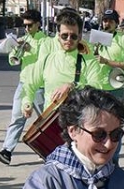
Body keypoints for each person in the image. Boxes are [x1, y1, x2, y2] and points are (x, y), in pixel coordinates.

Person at [20, 12, 106, 143]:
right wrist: (27, 102)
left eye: (74, 36)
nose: (69, 40)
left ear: (80, 36)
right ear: (58, 36)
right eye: (65, 36)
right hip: (52, 123)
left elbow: (97, 87)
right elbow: (29, 84)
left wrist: (72, 86)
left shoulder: (88, 60)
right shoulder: (48, 59)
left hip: (79, 124)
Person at [0, 9, 48, 166]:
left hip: (39, 85)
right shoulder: (24, 38)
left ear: (38, 24)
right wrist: (15, 49)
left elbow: (46, 58)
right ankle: (7, 151)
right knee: (16, 118)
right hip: (23, 84)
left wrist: (32, 49)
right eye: (25, 26)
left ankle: (49, 150)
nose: (28, 29)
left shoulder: (45, 41)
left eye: (30, 25)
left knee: (44, 121)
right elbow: (13, 61)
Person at [88, 10, 124, 162]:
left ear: (116, 23)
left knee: (114, 126)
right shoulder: (97, 38)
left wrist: (107, 62)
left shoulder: (123, 39)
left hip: (115, 87)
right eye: (105, 20)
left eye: (110, 21)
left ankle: (114, 160)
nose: (107, 23)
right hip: (97, 86)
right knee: (96, 125)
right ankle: (98, 157)